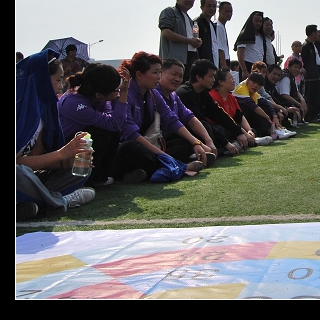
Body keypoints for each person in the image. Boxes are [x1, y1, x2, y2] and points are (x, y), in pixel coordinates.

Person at [112, 52, 214, 184]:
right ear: (139, 74)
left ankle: (142, 172)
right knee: (131, 147)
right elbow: (130, 133)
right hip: (127, 147)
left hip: (149, 142)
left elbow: (172, 119)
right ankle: (181, 166)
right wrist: (165, 157)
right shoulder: (125, 93)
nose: (158, 77)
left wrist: (196, 142)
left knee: (184, 142)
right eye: (155, 72)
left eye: (160, 72)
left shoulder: (153, 93)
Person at [16, 50, 96, 221]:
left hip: (24, 180)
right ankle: (60, 201)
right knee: (17, 172)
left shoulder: (43, 112)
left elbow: (34, 159)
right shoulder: (19, 110)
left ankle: (32, 205)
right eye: (58, 80)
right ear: (42, 80)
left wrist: (64, 162)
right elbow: (18, 164)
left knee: (79, 170)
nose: (61, 86)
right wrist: (61, 154)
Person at [58, 62, 130, 186]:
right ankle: (86, 179)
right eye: (116, 89)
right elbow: (115, 123)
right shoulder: (75, 103)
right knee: (100, 135)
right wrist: (124, 92)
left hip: (74, 140)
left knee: (111, 132)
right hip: (62, 147)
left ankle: (100, 176)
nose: (118, 91)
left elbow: (114, 122)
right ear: (99, 94)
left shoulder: (95, 96)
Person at [156, 58, 218, 165]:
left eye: (180, 76)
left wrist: (208, 140)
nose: (177, 79)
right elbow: (173, 121)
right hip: (158, 139)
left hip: (171, 137)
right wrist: (195, 143)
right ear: (160, 73)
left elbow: (191, 118)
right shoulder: (154, 93)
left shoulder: (174, 95)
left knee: (202, 130)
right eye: (174, 74)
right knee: (184, 142)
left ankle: (196, 155)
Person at [175, 59, 243, 156]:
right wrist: (225, 143)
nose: (213, 80)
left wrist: (239, 132)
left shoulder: (203, 92)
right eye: (211, 76)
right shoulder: (184, 94)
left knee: (222, 128)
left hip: (204, 131)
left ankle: (223, 147)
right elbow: (197, 121)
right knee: (206, 127)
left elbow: (218, 113)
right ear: (199, 77)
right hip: (187, 133)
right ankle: (219, 149)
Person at [209, 68, 264, 150]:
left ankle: (242, 142)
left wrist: (249, 131)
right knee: (222, 131)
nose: (234, 81)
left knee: (252, 130)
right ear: (221, 82)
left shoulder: (231, 97)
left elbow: (240, 116)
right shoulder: (213, 96)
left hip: (233, 127)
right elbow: (226, 121)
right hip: (221, 128)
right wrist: (242, 132)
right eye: (231, 78)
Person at [158, 0, 202, 82]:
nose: (189, 0)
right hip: (173, 61)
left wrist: (197, 42)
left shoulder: (190, 20)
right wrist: (189, 41)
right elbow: (166, 33)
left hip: (189, 59)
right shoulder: (169, 11)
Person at [234, 72, 279, 140]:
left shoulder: (253, 92)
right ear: (248, 80)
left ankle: (274, 130)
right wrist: (268, 118)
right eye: (254, 82)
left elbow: (266, 103)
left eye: (259, 84)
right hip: (238, 118)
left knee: (265, 107)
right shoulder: (241, 89)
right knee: (256, 111)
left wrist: (275, 115)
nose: (255, 86)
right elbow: (254, 107)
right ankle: (269, 132)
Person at [301, 24, 320, 123]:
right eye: (316, 32)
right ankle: (309, 116)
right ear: (312, 33)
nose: (317, 35)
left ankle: (314, 115)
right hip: (310, 76)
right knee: (310, 97)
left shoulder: (314, 45)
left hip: (316, 73)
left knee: (316, 96)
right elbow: (304, 60)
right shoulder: (306, 46)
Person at [275, 59, 308, 126]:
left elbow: (297, 91)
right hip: (280, 101)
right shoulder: (286, 77)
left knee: (304, 99)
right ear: (289, 67)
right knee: (294, 104)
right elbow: (285, 95)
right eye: (295, 67)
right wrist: (299, 105)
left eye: (299, 68)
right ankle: (292, 119)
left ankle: (298, 119)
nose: (297, 70)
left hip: (285, 99)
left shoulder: (292, 77)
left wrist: (302, 100)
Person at [234, 11, 265, 80]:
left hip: (259, 68)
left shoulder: (261, 36)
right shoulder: (245, 34)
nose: (258, 23)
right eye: (256, 21)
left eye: (260, 21)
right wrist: (244, 70)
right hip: (247, 66)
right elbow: (240, 54)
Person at [194, 0, 220, 68]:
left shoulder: (213, 25)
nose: (212, 8)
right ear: (202, 7)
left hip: (214, 63)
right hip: (203, 65)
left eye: (214, 6)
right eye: (209, 6)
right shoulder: (197, 23)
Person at [216, 1, 233, 70]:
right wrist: (224, 65)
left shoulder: (222, 26)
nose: (229, 14)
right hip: (222, 61)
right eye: (226, 11)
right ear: (220, 11)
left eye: (231, 11)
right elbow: (220, 48)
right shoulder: (218, 26)